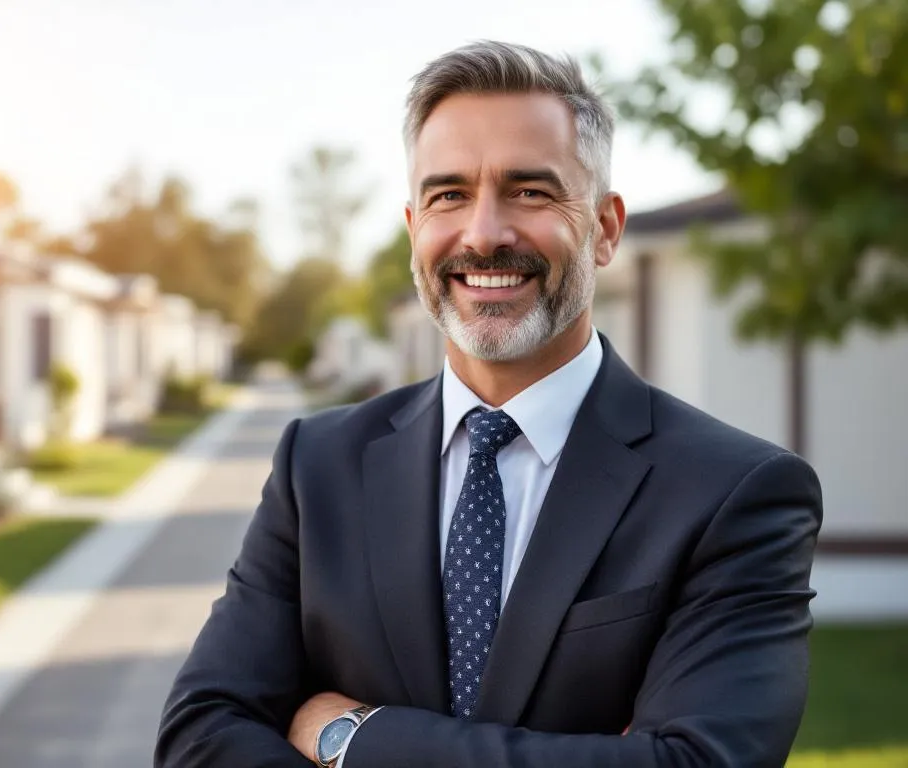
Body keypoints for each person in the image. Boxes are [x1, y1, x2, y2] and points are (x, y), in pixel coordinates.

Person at [154, 40, 822, 768]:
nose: (483, 233)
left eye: (530, 191)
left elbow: (701, 764)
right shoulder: (316, 467)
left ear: (603, 228)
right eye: (449, 196)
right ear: (415, 232)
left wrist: (353, 736)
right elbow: (200, 735)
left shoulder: (734, 492)